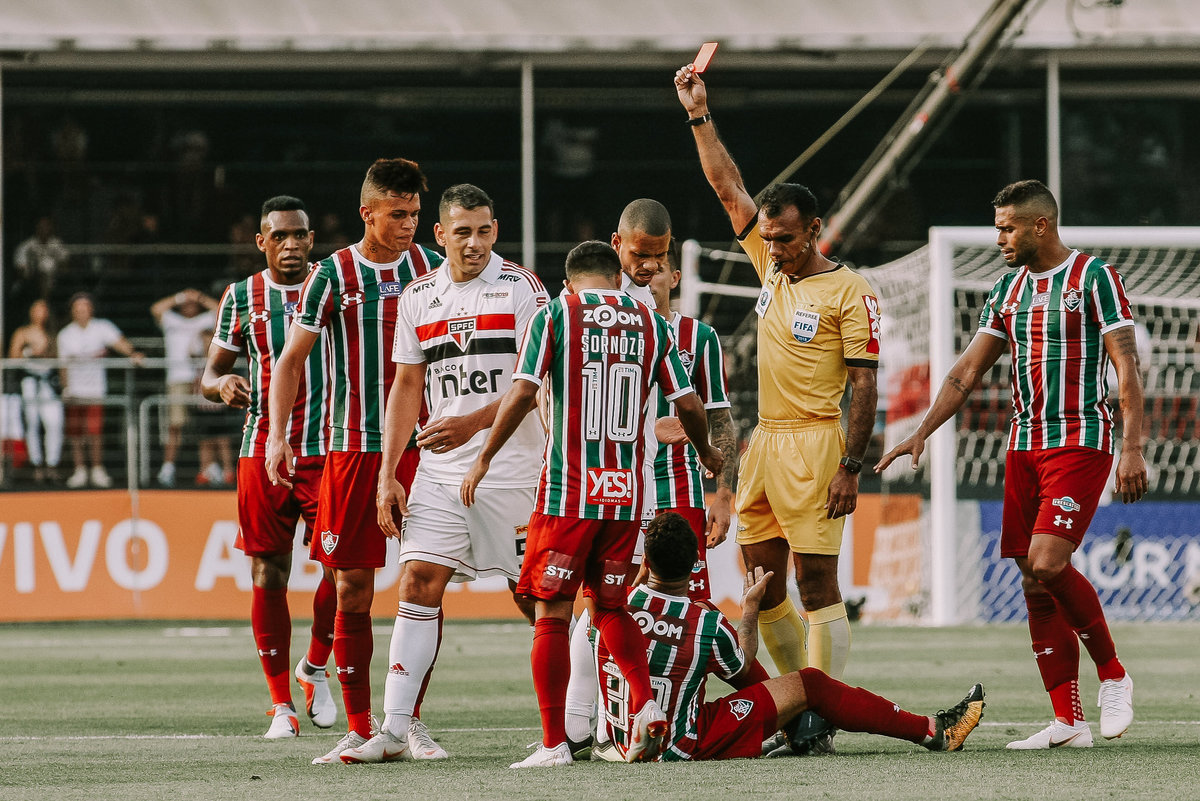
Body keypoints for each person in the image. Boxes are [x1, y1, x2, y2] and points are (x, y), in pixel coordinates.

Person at [876, 179, 1145, 749]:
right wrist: (919, 433)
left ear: (1039, 225)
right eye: (996, 227)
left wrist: (1133, 447)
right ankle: (1067, 722)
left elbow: (1127, 367)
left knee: (1049, 563)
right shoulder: (1006, 289)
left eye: (1007, 227)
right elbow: (965, 374)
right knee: (1030, 576)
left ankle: (1114, 674)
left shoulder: (1094, 278)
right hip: (1023, 444)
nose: (998, 237)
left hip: (1081, 440)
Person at [460, 240, 724, 767]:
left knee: (551, 613)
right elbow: (690, 404)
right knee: (610, 606)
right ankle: (646, 704)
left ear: (568, 282)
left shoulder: (556, 314)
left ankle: (556, 743)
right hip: (626, 496)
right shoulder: (653, 323)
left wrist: (484, 457)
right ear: (615, 277)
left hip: (568, 491)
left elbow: (521, 392)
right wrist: (707, 452)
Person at [674, 63, 882, 727]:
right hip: (765, 441)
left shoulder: (850, 291)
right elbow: (727, 185)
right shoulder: (769, 263)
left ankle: (823, 706)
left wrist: (852, 465)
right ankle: (799, 703)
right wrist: (699, 113)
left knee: (817, 582)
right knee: (762, 588)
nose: (776, 249)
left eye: (786, 239)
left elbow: (865, 382)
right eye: (769, 240)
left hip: (820, 442)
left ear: (815, 228)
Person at [340, 184, 550, 764]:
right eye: (462, 231)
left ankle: (583, 718)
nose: (475, 242)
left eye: (484, 230)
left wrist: (473, 424)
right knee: (417, 584)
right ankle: (396, 728)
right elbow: (407, 386)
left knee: (537, 598)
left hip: (514, 468)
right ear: (440, 235)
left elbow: (534, 385)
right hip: (438, 470)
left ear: (495, 230)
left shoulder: (522, 289)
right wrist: (389, 473)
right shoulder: (418, 297)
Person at [265, 158, 443, 765]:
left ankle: (407, 721)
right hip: (352, 449)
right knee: (352, 589)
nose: (409, 226)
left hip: (425, 448)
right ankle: (361, 725)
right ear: (368, 213)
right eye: (398, 215)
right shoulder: (333, 274)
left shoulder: (430, 269)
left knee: (426, 583)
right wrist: (279, 436)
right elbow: (290, 360)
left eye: (416, 215)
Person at [593, 512, 985, 760]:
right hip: (681, 744)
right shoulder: (704, 625)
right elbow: (742, 664)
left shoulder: (610, 613)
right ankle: (933, 731)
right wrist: (749, 610)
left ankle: (798, 728)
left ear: (645, 560)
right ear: (697, 562)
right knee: (811, 683)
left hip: (619, 739)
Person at [202, 195, 339, 740]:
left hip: (330, 449)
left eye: (299, 235)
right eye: (279, 236)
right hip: (263, 451)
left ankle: (317, 665)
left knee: (344, 570)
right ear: (260, 241)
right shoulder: (241, 298)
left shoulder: (335, 288)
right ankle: (281, 704)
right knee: (269, 572)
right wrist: (223, 386)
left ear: (311, 238)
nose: (291, 244)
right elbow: (209, 377)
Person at [56, 293, 144, 488]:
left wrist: (133, 353)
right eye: (77, 308)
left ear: (91, 309)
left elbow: (119, 342)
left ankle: (97, 469)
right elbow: (62, 366)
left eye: (85, 307)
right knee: (76, 433)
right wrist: (66, 388)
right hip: (75, 391)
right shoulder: (65, 334)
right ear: (72, 312)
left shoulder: (101, 327)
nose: (81, 311)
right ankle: (79, 470)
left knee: (95, 432)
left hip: (95, 390)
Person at [150, 287, 219, 487]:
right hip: (178, 378)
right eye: (185, 304)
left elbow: (221, 309)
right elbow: (156, 308)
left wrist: (200, 297)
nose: (189, 306)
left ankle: (208, 468)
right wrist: (180, 297)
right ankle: (168, 468)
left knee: (205, 426)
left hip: (202, 377)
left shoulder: (205, 320)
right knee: (175, 425)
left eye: (192, 303)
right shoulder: (172, 320)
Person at [8, 300, 64, 484]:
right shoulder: (22, 333)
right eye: (37, 309)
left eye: (44, 309)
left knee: (54, 421)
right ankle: (37, 464)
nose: (41, 312)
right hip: (30, 380)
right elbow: (12, 357)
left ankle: (52, 464)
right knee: (31, 422)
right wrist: (29, 353)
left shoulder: (53, 334)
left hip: (48, 381)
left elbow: (59, 359)